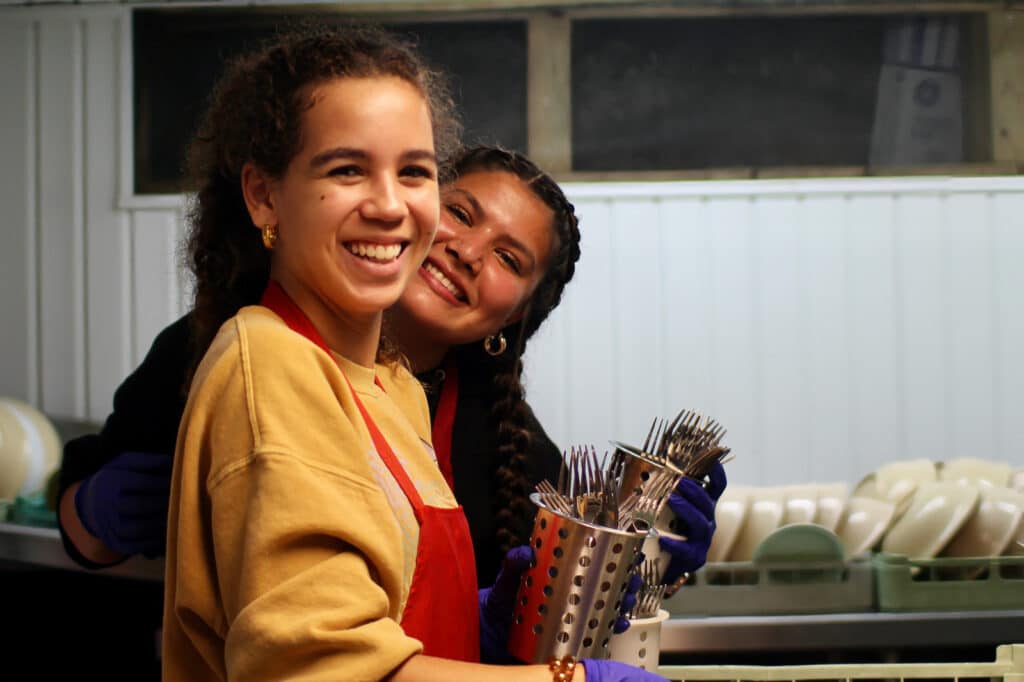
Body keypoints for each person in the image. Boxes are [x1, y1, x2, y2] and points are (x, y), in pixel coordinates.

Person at [143, 22, 669, 681]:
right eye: (347, 169)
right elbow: (322, 669)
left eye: (414, 172)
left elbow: (374, 622)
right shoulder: (271, 363)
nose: (391, 206)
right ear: (264, 194)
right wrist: (569, 680)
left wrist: (477, 619)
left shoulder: (389, 384)